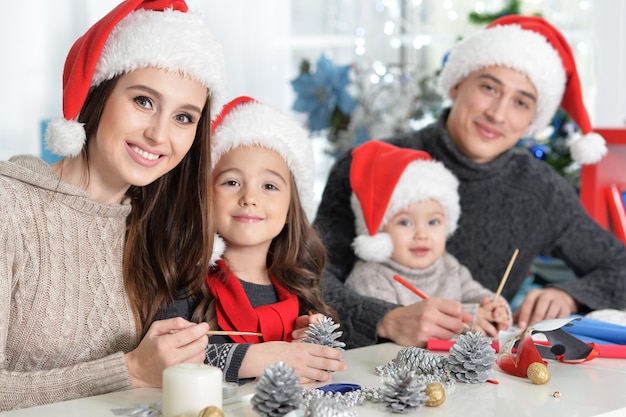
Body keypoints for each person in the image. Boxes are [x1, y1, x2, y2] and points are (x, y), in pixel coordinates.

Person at [314, 14, 626, 349]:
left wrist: (570, 295)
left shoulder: (540, 190)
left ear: (533, 120)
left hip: (476, 375)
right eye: (489, 87)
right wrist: (385, 319)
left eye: (521, 102)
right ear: (458, 83)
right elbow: (308, 275)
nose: (498, 114)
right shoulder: (370, 164)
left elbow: (619, 267)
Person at [0, 0, 227, 410]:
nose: (159, 135)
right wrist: (131, 370)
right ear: (98, 94)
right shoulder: (9, 206)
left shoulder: (152, 226)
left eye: (184, 118)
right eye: (144, 101)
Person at [201, 96, 346, 384]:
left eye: (269, 186)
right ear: (205, 195)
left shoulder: (300, 286)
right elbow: (171, 360)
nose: (250, 198)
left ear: (292, 208)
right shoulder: (185, 284)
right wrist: (262, 359)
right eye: (232, 182)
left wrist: (315, 346)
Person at [345, 140, 511, 337]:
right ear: (378, 232)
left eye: (433, 222)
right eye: (405, 223)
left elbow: (475, 294)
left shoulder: (449, 266)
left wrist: (494, 309)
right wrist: (472, 317)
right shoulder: (371, 277)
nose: (422, 235)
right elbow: (405, 330)